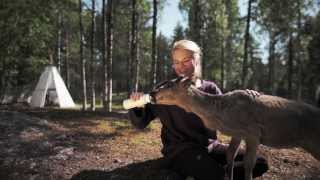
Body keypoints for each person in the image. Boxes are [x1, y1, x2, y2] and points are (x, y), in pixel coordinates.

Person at [128, 40, 268, 180]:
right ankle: (212, 173)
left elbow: (229, 112)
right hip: (180, 151)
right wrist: (137, 106)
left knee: (259, 162)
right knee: (217, 175)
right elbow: (140, 122)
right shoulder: (165, 91)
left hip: (210, 147)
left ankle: (208, 174)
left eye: (186, 61)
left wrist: (246, 97)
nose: (180, 67)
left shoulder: (210, 89)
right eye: (176, 62)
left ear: (197, 60)